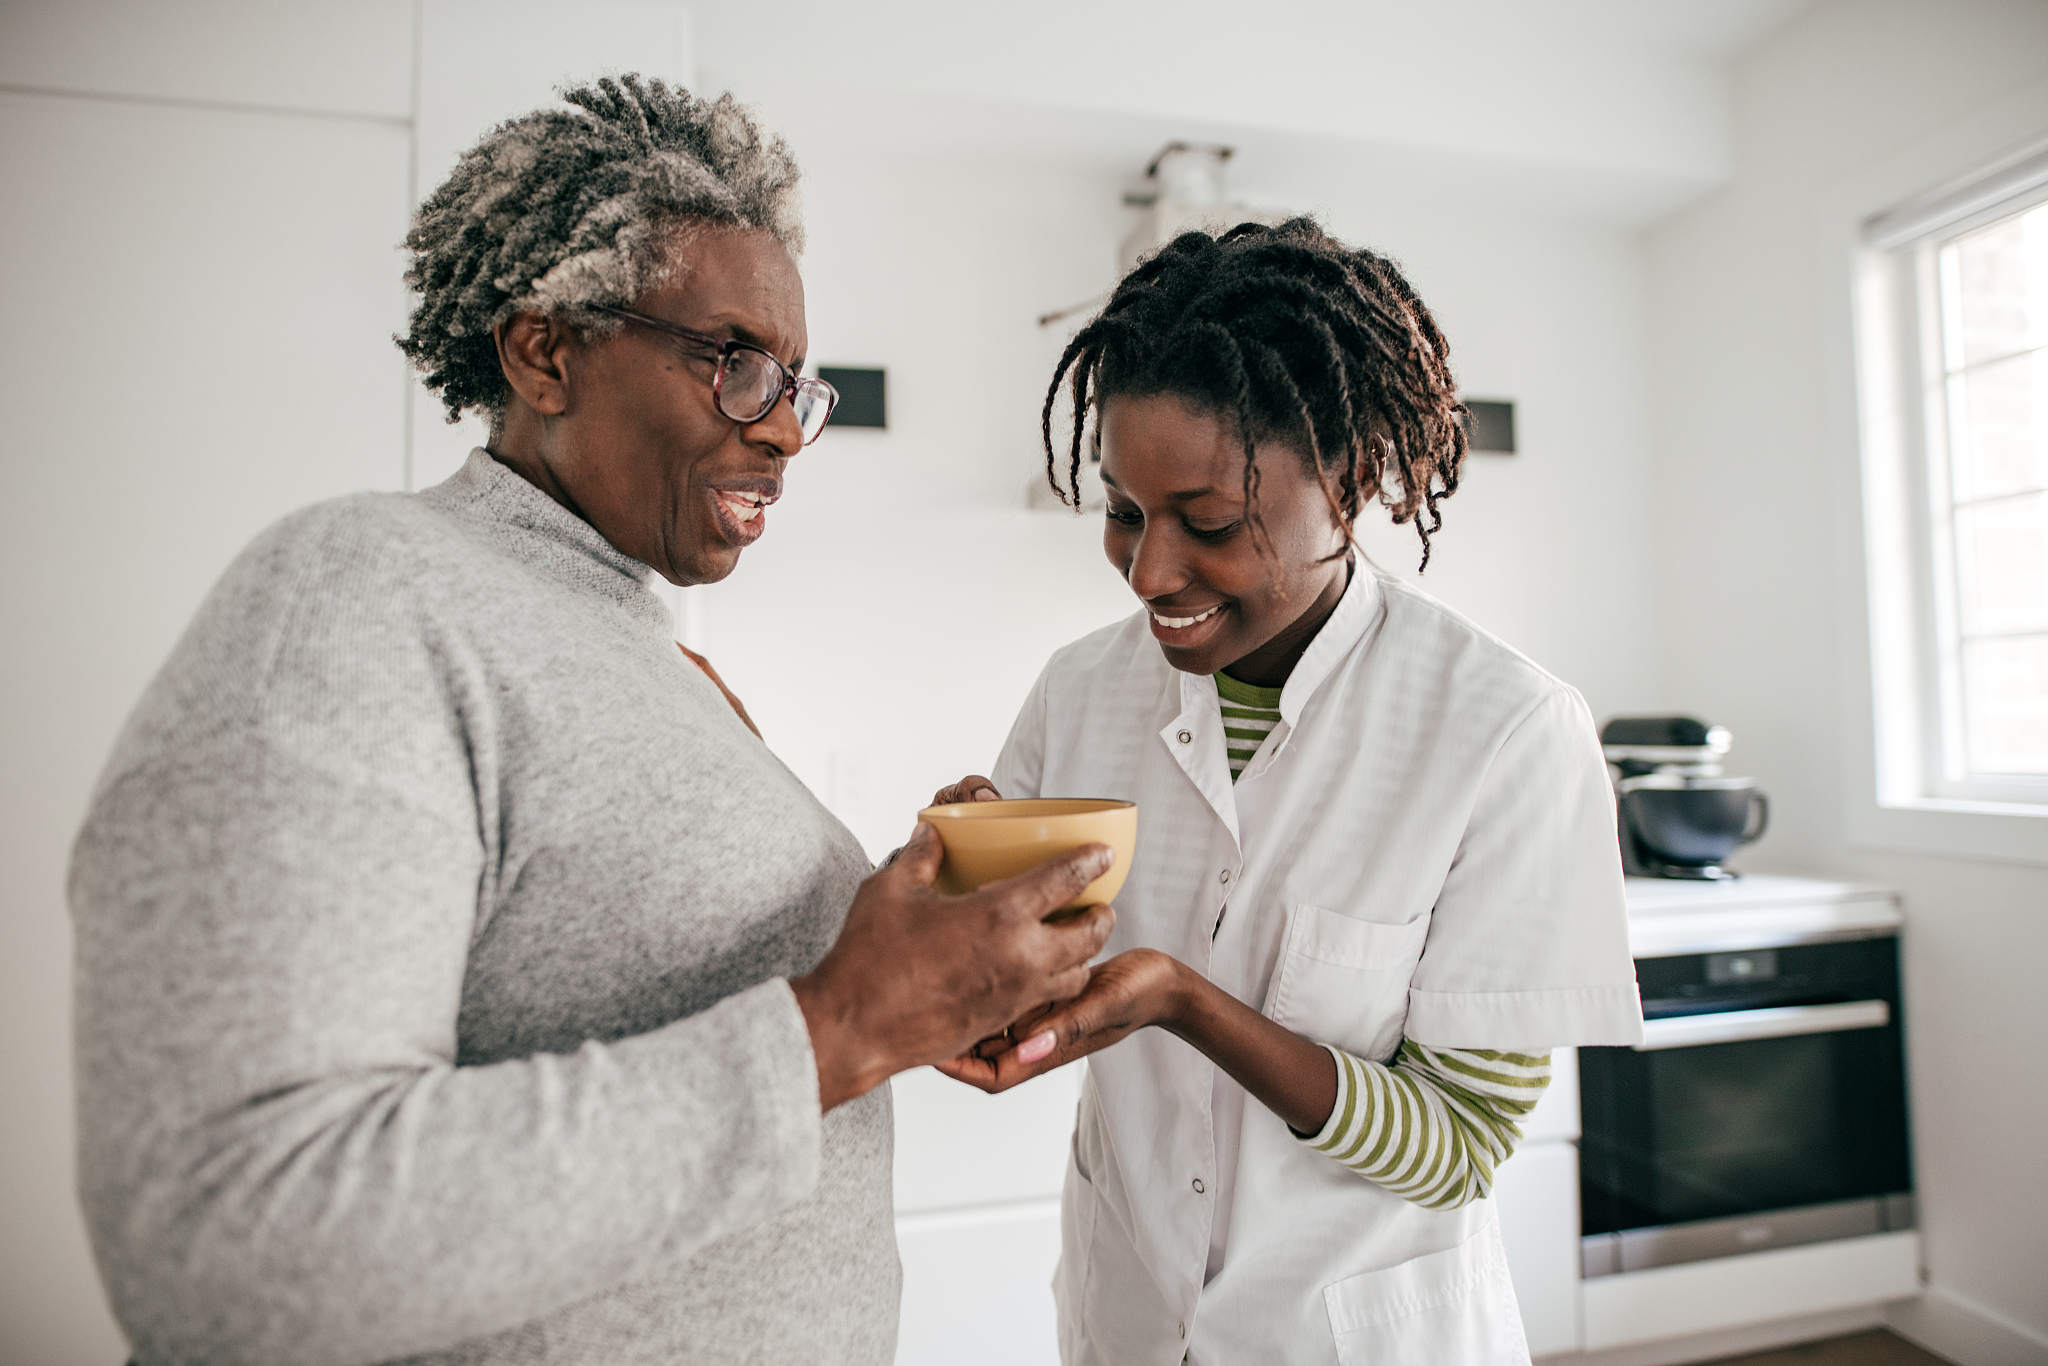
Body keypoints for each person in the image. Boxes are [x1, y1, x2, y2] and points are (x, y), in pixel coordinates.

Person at [68, 76, 1113, 1366]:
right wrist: (845, 1024)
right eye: (735, 362)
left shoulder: (636, 643)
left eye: (796, 381)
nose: (785, 429)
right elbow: (226, 1237)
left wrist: (923, 958)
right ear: (544, 352)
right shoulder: (357, 594)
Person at [931, 219, 1643, 1365]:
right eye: (1122, 510)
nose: (1150, 572)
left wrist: (1181, 999)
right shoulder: (1079, 691)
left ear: (1350, 481)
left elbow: (1455, 1142)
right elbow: (1010, 984)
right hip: (1124, 1317)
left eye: (1208, 523)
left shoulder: (1503, 730)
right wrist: (967, 925)